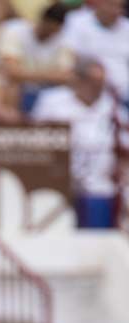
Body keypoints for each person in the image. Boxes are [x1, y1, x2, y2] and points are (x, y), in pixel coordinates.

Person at [32, 58, 127, 230]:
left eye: (101, 83)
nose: (98, 88)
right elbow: (34, 139)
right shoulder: (52, 101)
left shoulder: (112, 106)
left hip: (100, 183)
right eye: (93, 82)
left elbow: (124, 148)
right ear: (78, 80)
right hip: (58, 179)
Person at [0, 3, 73, 112]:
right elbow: (12, 72)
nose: (50, 34)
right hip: (15, 90)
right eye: (49, 28)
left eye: (54, 31)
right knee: (11, 87)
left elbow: (66, 76)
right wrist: (50, 75)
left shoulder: (63, 40)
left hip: (45, 92)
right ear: (43, 21)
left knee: (65, 94)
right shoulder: (15, 30)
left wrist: (26, 74)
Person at [59, 0, 129, 103]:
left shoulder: (127, 27)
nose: (116, 11)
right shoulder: (76, 20)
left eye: (120, 7)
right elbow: (68, 57)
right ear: (99, 3)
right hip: (86, 92)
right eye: (111, 5)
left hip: (123, 94)